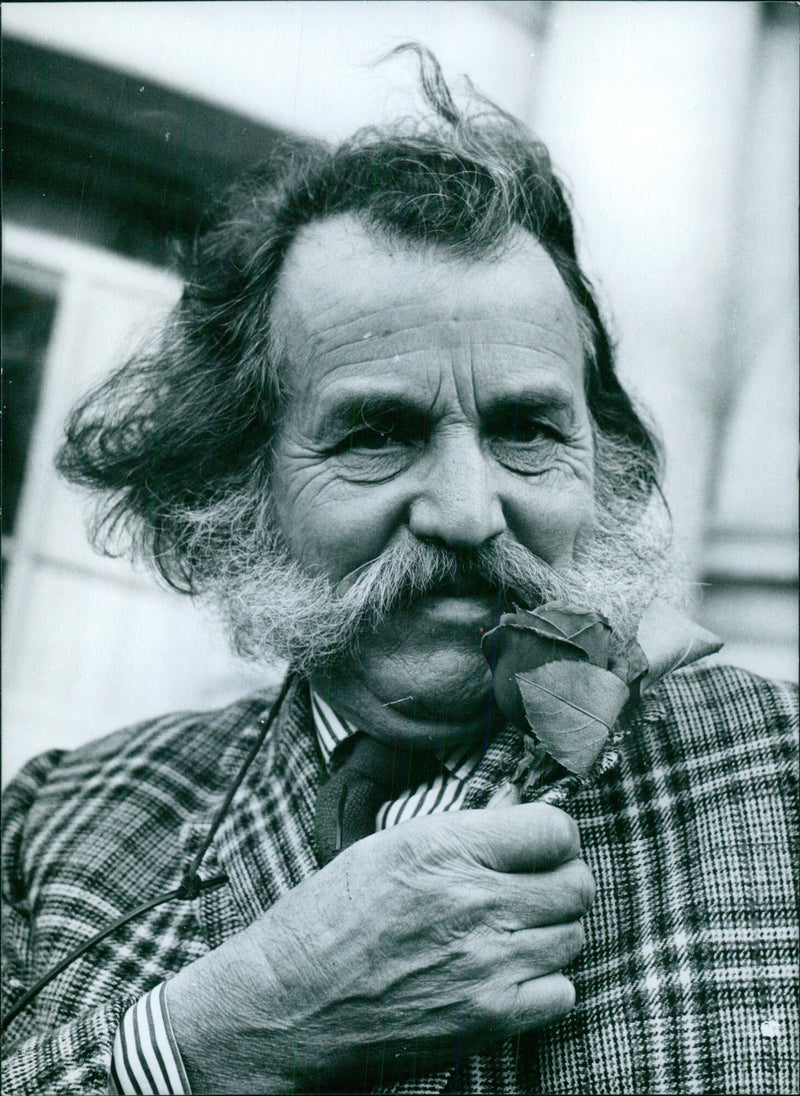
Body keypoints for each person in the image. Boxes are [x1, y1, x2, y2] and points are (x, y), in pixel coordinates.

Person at [2, 47, 797, 1096]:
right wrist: (209, 1042)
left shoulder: (782, 781)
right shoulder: (57, 830)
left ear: (600, 467)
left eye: (525, 431)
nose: (468, 513)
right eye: (377, 433)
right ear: (239, 485)